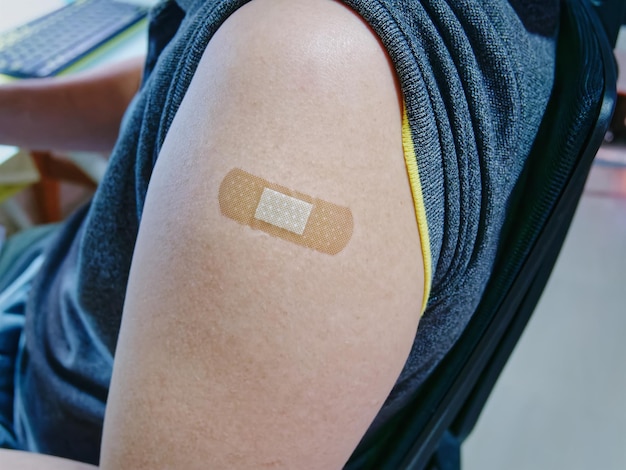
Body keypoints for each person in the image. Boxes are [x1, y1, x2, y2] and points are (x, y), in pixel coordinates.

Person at [0, 0, 558, 467]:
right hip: (59, 295)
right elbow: (183, 76)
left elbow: (265, 95)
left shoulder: (308, 78)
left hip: (46, 418)